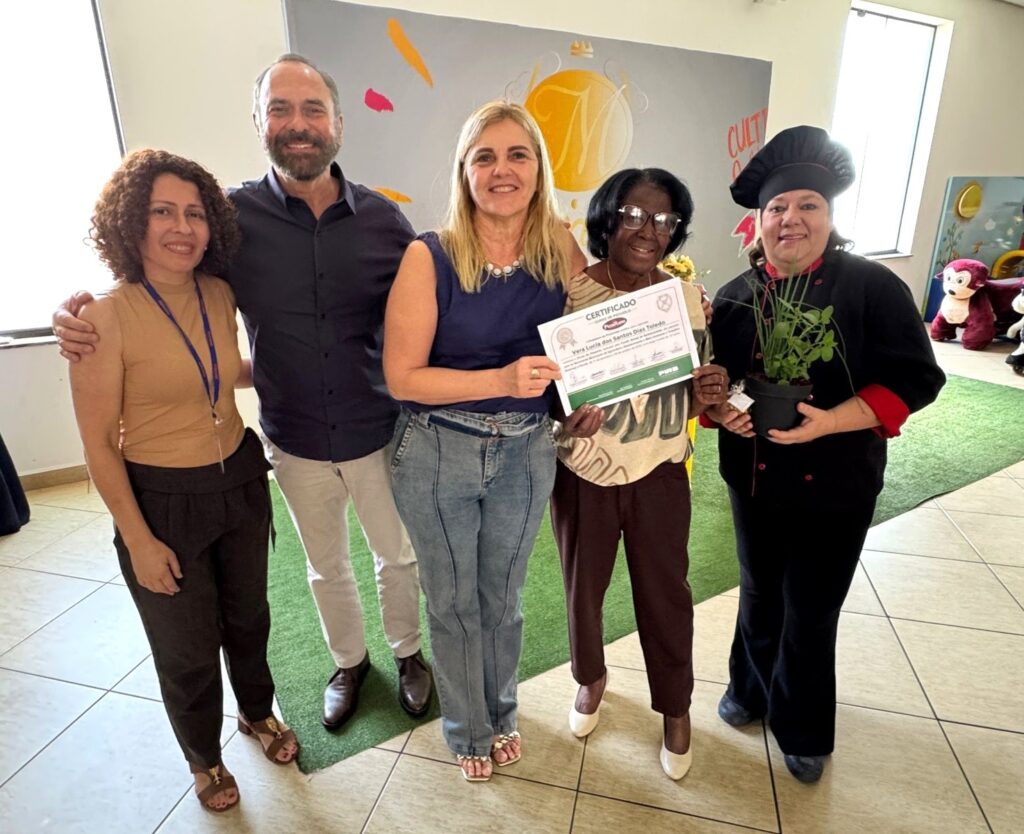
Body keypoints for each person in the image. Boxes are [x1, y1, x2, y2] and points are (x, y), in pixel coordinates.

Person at [53, 54, 433, 730]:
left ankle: (408, 653)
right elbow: (157, 278)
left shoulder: (384, 223)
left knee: (396, 556)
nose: (298, 124)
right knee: (326, 567)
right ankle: (350, 662)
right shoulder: (228, 221)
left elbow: (427, 315)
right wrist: (78, 309)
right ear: (258, 122)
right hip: (291, 437)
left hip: (378, 430)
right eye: (280, 109)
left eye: (312, 109)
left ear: (338, 123)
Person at [702, 126, 945, 783]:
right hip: (751, 475)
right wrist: (720, 409)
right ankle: (750, 690)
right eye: (777, 209)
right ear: (759, 223)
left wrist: (834, 420)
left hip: (837, 481)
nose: (791, 219)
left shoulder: (872, 287)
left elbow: (917, 379)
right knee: (758, 591)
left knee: (811, 605)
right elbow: (711, 379)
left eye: (807, 205)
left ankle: (803, 726)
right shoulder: (734, 293)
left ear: (830, 217)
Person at [70, 149, 298, 813]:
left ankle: (257, 715)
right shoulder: (100, 319)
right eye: (163, 212)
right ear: (129, 224)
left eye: (195, 213)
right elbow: (97, 446)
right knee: (187, 644)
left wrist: (295, 365)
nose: (182, 226)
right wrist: (138, 539)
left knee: (249, 618)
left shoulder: (219, 293)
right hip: (161, 500)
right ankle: (204, 757)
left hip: (240, 482)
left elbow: (218, 371)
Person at [383, 101, 601, 782]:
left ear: (538, 170)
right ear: (464, 171)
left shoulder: (561, 247)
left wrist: (586, 396)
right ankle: (466, 726)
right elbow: (402, 378)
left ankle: (502, 712)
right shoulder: (431, 253)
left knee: (502, 597)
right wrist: (500, 376)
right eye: (485, 156)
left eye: (517, 155)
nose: (501, 170)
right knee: (452, 601)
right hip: (438, 448)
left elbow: (595, 340)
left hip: (528, 450)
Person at [548, 168, 728, 781]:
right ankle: (590, 677)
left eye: (663, 219)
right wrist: (565, 423)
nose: (648, 230)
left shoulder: (683, 298)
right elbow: (549, 396)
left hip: (660, 471)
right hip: (584, 472)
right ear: (607, 217)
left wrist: (711, 389)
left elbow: (698, 394)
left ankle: (675, 707)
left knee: (666, 594)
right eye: (633, 214)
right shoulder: (570, 296)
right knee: (583, 590)